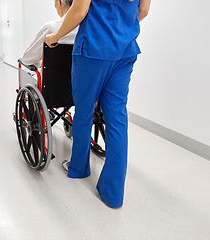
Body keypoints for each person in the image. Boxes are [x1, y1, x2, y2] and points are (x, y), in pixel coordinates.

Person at [44, 0, 151, 208]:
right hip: (125, 51)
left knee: (84, 113)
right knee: (117, 118)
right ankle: (113, 193)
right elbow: (144, 10)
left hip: (93, 50)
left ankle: (78, 168)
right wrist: (121, 32)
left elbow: (80, 10)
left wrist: (55, 37)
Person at [21, 0, 78, 69]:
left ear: (59, 2)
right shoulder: (88, 30)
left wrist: (41, 64)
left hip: (53, 79)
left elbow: (27, 59)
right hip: (82, 78)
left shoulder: (51, 28)